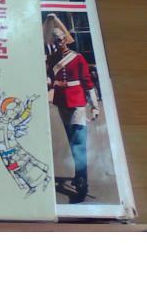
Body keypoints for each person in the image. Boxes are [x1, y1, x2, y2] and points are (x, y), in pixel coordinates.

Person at [43, 14, 99, 202]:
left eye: (61, 39)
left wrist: (95, 106)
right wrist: (52, 83)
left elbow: (88, 82)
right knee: (71, 139)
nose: (59, 42)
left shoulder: (78, 58)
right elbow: (48, 78)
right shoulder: (52, 59)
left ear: (66, 39)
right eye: (56, 40)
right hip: (61, 102)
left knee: (79, 142)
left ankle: (82, 180)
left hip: (77, 103)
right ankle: (78, 173)